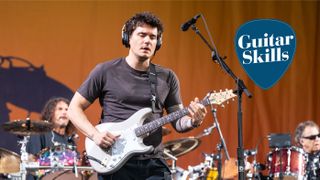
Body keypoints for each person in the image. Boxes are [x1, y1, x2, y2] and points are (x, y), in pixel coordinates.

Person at [67, 12, 207, 179]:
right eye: (142, 35)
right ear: (128, 38)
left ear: (158, 42)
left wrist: (193, 121)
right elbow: (74, 108)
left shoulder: (167, 77)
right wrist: (95, 135)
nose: (147, 41)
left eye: (153, 37)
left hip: (153, 161)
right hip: (115, 162)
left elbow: (178, 121)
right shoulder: (105, 71)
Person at [26, 97, 78, 179]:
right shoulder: (40, 134)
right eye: (60, 109)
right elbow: (33, 163)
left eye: (67, 110)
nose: (64, 112)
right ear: (51, 113)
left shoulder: (70, 141)